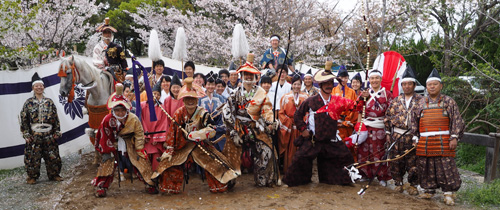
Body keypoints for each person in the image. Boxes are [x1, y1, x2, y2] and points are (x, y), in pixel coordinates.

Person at [153, 77, 238, 194]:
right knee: (169, 165)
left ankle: (220, 188)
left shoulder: (203, 113)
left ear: (197, 100)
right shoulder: (178, 113)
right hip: (182, 147)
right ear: (183, 100)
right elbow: (172, 132)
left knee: (216, 164)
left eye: (193, 98)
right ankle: (169, 190)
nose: (190, 101)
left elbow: (212, 130)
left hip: (201, 146)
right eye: (187, 98)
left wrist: (198, 134)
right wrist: (170, 149)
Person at [282, 61, 354, 187]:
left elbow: (354, 105)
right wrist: (303, 129)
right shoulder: (311, 101)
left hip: (331, 140)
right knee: (299, 158)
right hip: (314, 139)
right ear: (320, 84)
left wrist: (364, 97)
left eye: (330, 83)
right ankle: (298, 181)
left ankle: (338, 180)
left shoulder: (337, 101)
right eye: (325, 83)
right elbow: (297, 115)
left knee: (346, 155)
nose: (328, 85)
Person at [222, 53, 279, 187]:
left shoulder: (261, 93)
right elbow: (227, 112)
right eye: (245, 74)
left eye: (250, 75)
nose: (248, 77)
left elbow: (266, 110)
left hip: (256, 127)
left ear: (255, 77)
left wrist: (272, 121)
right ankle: (229, 182)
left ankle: (262, 180)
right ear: (241, 77)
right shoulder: (235, 93)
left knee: (267, 150)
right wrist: (233, 130)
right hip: (237, 127)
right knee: (230, 152)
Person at [411, 68, 464, 205]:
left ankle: (448, 193)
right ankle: (428, 190)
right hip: (425, 141)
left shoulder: (449, 102)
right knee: (426, 166)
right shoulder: (420, 103)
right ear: (426, 86)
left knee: (446, 167)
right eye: (430, 84)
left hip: (444, 140)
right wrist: (415, 137)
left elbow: (457, 120)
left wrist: (454, 137)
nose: (432, 87)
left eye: (435, 84)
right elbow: (413, 121)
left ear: (441, 85)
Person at [92, 83, 155, 197]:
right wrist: (107, 151)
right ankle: (102, 186)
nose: (120, 113)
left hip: (130, 142)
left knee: (140, 161)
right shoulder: (107, 119)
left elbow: (139, 134)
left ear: (126, 109)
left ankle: (149, 184)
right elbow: (104, 136)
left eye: (122, 110)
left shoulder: (133, 119)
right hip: (111, 144)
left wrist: (139, 148)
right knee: (107, 164)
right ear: (113, 110)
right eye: (117, 110)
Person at [384, 65, 422, 195]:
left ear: (414, 85)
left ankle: (413, 185)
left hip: (413, 137)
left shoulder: (421, 101)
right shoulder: (395, 101)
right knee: (395, 160)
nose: (407, 86)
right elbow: (388, 117)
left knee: (413, 162)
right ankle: (398, 183)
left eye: (409, 84)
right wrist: (388, 133)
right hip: (397, 135)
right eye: (404, 84)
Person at [20, 72, 63, 185]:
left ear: (43, 87)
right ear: (33, 88)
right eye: (36, 86)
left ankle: (54, 174)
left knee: (53, 156)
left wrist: (57, 131)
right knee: (33, 158)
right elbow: (24, 120)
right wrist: (26, 134)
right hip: (35, 134)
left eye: (41, 86)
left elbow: (55, 118)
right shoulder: (28, 103)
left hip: (49, 133)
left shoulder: (49, 102)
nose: (39, 87)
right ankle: (32, 176)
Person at [357, 69, 394, 186]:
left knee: (379, 153)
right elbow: (359, 109)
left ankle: (382, 176)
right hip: (366, 126)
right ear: (369, 80)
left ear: (380, 79)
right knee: (364, 152)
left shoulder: (387, 94)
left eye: (376, 78)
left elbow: (391, 113)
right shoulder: (364, 92)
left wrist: (388, 131)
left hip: (380, 127)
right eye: (372, 78)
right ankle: (364, 174)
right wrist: (364, 98)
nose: (374, 80)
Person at [278, 75, 308, 173]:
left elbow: (309, 112)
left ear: (301, 85)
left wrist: (303, 123)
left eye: (299, 84)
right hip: (290, 127)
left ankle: (301, 173)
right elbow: (281, 113)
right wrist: (288, 122)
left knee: (302, 150)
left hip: (301, 128)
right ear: (292, 85)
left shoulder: (306, 97)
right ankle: (290, 172)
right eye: (295, 84)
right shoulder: (285, 97)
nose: (296, 86)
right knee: (290, 151)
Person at [140, 82, 169, 171]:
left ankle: (156, 176)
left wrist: (157, 138)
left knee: (156, 158)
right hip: (146, 137)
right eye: (154, 93)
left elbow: (163, 124)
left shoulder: (162, 107)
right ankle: (147, 178)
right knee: (145, 158)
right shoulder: (142, 106)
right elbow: (141, 120)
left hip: (157, 139)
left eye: (158, 94)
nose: (155, 96)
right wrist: (145, 135)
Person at [332, 66, 358, 161]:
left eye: (346, 77)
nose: (343, 80)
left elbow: (355, 108)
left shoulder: (352, 92)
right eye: (341, 77)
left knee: (348, 147)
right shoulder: (333, 91)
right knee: (335, 147)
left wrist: (348, 120)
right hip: (335, 124)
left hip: (348, 123)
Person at [198, 72, 227, 151]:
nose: (210, 87)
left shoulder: (222, 99)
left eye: (212, 84)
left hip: (218, 129)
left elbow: (224, 116)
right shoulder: (200, 98)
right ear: (205, 85)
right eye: (208, 84)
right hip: (204, 128)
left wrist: (217, 128)